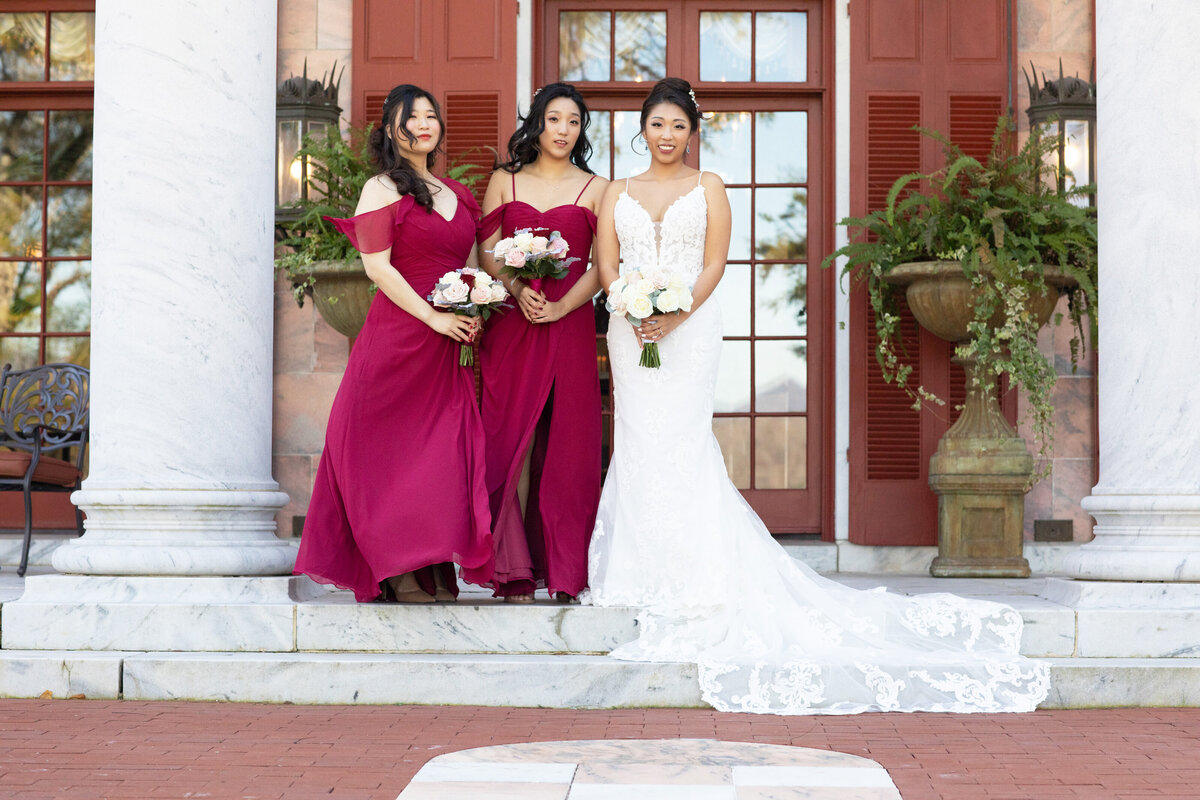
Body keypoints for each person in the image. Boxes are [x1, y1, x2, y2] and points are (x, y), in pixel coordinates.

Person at [584, 77, 1051, 714]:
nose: (667, 137)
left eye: (678, 126)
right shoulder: (617, 190)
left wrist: (673, 314)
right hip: (627, 326)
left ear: (694, 132)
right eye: (657, 125)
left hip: (690, 328)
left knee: (683, 440)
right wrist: (627, 304)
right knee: (639, 441)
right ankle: (636, 574)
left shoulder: (711, 188)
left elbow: (715, 264)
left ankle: (698, 579)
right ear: (642, 129)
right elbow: (607, 261)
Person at [294, 84, 492, 604]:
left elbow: (471, 263)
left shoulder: (458, 194)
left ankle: (435, 563)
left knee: (442, 456)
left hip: (449, 341)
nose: (425, 125)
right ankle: (397, 569)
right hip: (400, 337)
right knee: (393, 456)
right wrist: (433, 316)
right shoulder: (382, 188)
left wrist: (474, 307)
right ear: (390, 130)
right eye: (412, 118)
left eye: (432, 115)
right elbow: (376, 266)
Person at [464, 83, 608, 603]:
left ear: (581, 129)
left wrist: (562, 307)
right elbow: (486, 249)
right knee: (512, 441)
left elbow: (602, 267)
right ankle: (513, 570)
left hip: (568, 325)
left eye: (573, 121)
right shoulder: (506, 180)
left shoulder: (597, 187)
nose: (563, 130)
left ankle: (568, 573)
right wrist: (520, 290)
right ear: (537, 124)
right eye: (554, 119)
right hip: (513, 322)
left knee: (569, 444)